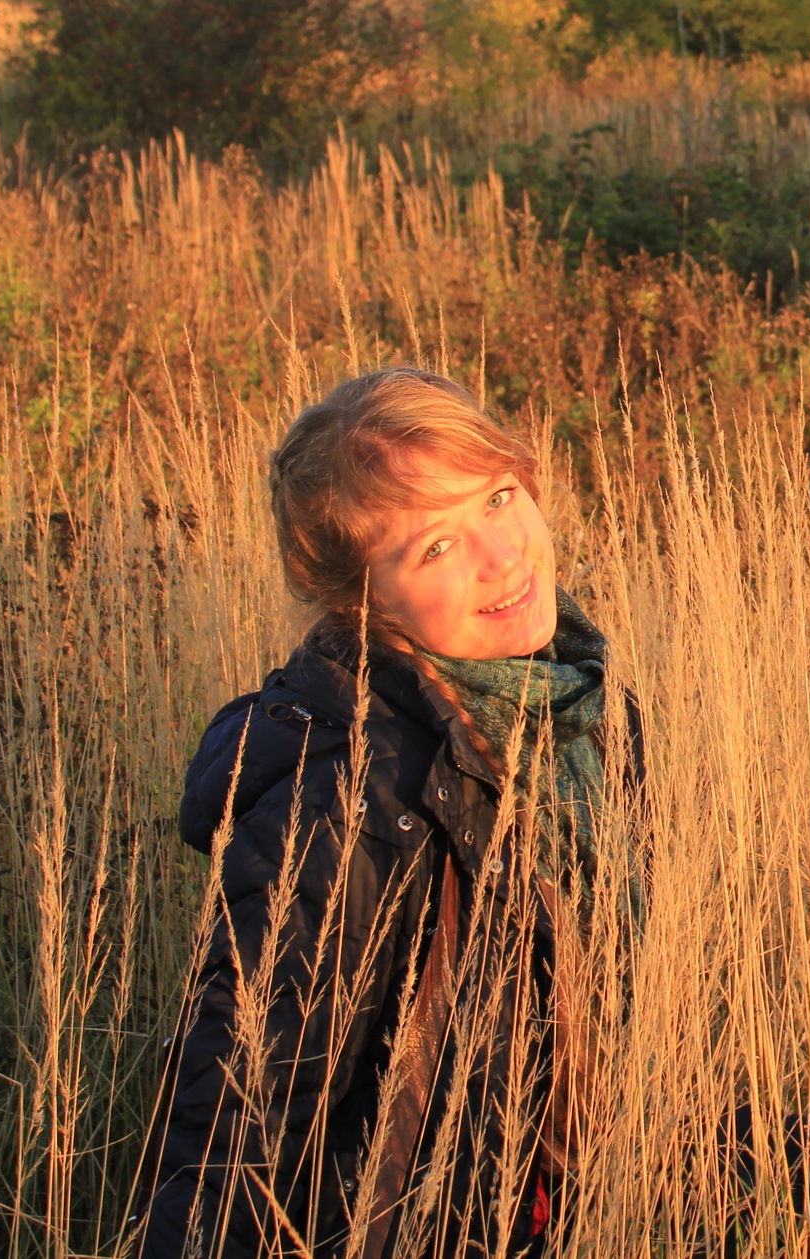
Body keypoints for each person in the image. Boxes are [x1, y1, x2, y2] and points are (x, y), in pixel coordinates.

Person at [139, 368, 642, 1259]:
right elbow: (236, 1133)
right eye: (435, 547)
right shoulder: (347, 808)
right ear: (362, 600)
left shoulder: (576, 709)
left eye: (498, 496)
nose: (504, 556)